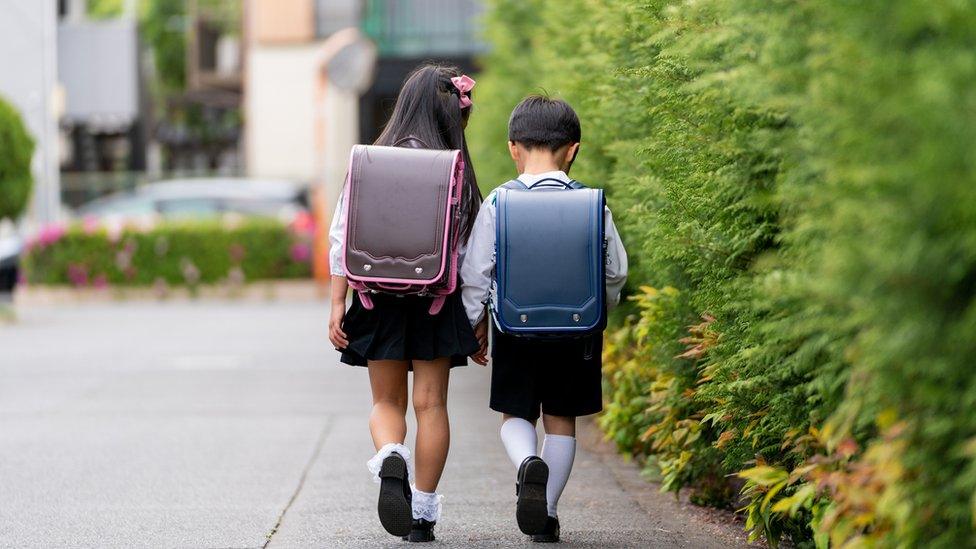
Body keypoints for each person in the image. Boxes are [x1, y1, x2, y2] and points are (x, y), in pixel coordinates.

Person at [461, 95, 628, 543]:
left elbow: (476, 272)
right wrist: (600, 312)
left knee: (515, 413)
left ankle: (526, 466)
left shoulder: (499, 203)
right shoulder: (593, 204)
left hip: (515, 328)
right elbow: (615, 270)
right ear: (572, 149)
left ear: (514, 148)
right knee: (562, 418)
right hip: (577, 330)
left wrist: (474, 322)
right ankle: (547, 513)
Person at [327, 64, 482, 543]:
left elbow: (341, 235)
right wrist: (476, 318)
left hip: (378, 301)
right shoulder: (455, 170)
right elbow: (468, 255)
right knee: (431, 405)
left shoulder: (370, 162)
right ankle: (423, 515)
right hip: (436, 302)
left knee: (385, 401)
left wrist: (337, 302)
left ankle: (391, 451)